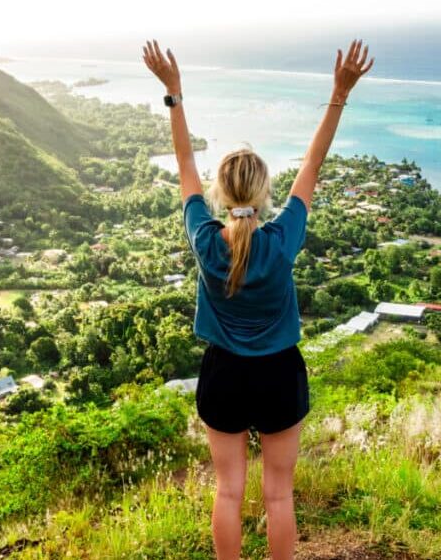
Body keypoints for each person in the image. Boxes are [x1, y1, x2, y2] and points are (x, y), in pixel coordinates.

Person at [142, 38, 374, 560]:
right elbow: (314, 162)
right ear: (266, 192)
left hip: (224, 372)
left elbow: (184, 163)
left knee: (228, 492)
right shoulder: (282, 238)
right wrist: (339, 93)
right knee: (279, 493)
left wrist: (174, 94)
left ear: (221, 195)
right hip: (278, 374)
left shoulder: (205, 240)